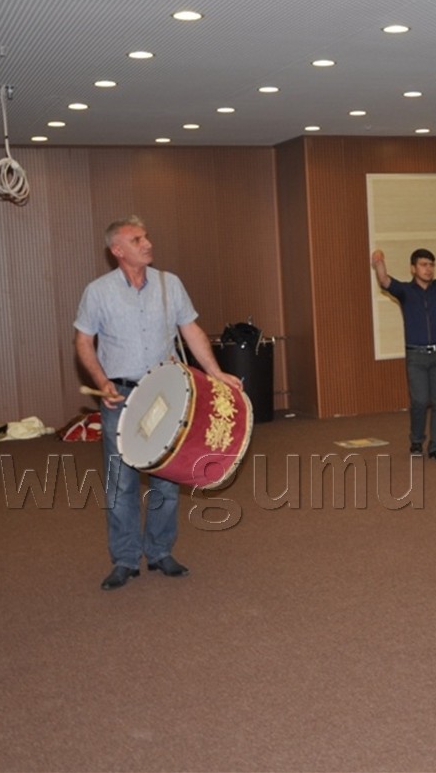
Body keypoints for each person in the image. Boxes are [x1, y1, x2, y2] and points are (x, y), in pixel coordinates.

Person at [74, 216, 244, 591]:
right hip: (120, 397)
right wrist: (101, 382)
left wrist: (215, 372)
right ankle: (124, 559)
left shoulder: (171, 284)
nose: (147, 243)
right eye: (137, 239)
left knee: (168, 475)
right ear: (117, 250)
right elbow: (83, 342)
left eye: (147, 236)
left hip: (166, 396)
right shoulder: (98, 292)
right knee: (121, 481)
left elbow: (191, 330)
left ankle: (161, 552)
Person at [372, 239, 436, 461]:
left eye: (431, 265)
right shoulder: (405, 291)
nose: (428, 269)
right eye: (423, 264)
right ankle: (417, 439)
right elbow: (384, 280)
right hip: (416, 356)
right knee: (419, 401)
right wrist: (378, 262)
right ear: (413, 268)